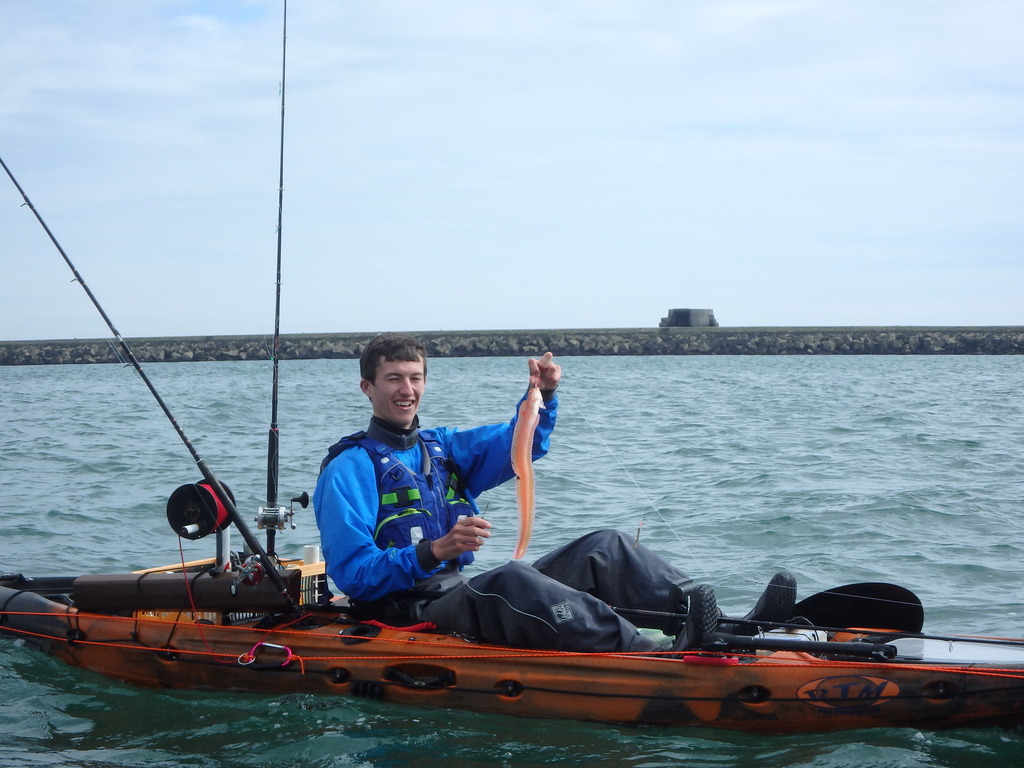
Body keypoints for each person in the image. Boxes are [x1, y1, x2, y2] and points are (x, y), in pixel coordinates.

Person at [313, 332, 796, 653]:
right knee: (510, 579)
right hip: (407, 612)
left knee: (604, 547)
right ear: (367, 387)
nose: (407, 389)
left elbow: (521, 443)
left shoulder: (444, 446)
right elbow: (353, 574)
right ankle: (653, 654)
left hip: (460, 592)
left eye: (415, 378)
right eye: (394, 379)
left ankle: (726, 628)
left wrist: (541, 396)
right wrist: (433, 550)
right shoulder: (348, 469)